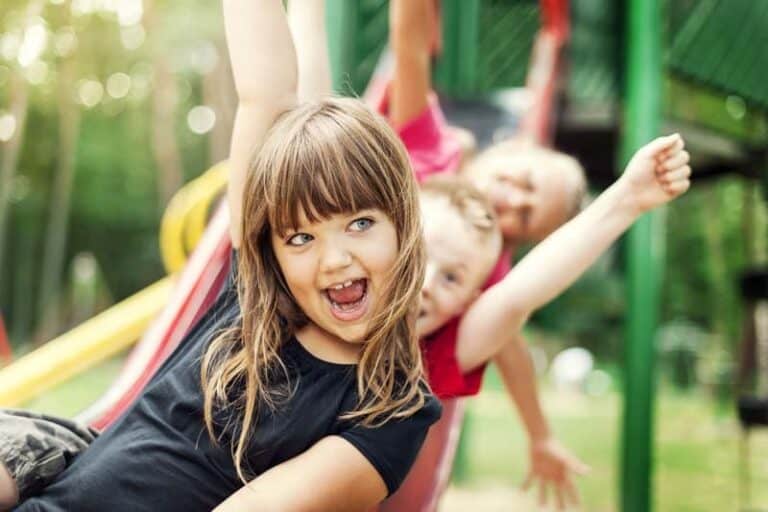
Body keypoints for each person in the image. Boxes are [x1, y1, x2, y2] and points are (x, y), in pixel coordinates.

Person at [0, 1, 441, 510]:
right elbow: (267, 91)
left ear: (403, 225)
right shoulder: (255, 301)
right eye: (301, 238)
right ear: (271, 247)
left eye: (360, 224)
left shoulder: (391, 413)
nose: (334, 259)